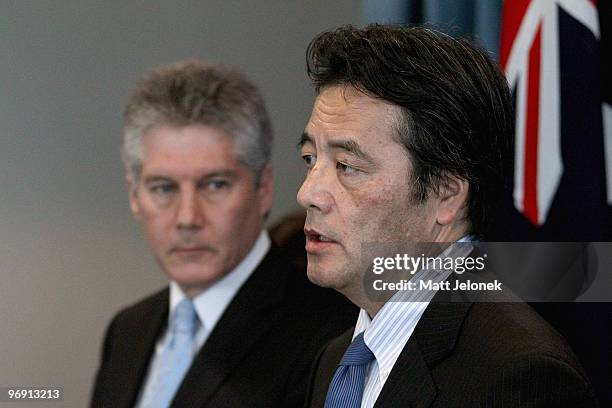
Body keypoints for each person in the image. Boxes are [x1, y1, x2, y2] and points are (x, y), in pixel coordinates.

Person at [297, 25, 598, 407]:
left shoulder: (519, 374)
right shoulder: (335, 361)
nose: (308, 193)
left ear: (446, 194)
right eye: (310, 159)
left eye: (346, 166)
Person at [91, 60, 356, 408]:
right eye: (163, 188)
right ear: (134, 196)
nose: (187, 218)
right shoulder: (128, 330)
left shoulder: (331, 331)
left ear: (263, 188)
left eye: (215, 185)